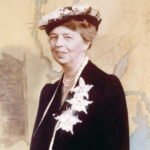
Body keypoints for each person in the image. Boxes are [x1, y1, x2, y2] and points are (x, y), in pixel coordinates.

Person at [30, 5, 129, 150]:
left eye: (67, 37)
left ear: (87, 42)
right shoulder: (48, 92)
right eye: (53, 37)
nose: (58, 44)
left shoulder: (107, 86)